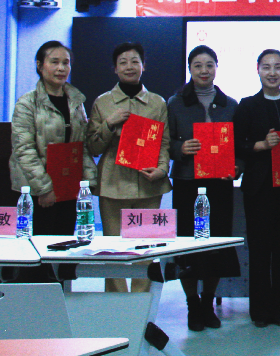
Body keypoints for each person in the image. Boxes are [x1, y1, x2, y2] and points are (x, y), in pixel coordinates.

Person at [166, 45, 241, 331]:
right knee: (188, 245)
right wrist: (180, 148)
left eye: (209, 65)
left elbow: (240, 145)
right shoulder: (175, 103)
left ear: (217, 67)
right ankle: (192, 304)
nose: (204, 70)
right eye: (198, 65)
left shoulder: (230, 104)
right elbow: (165, 142)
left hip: (219, 183)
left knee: (215, 246)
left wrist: (237, 167)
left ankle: (208, 303)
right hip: (187, 182)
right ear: (190, 69)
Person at [86, 42, 171, 293]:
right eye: (122, 62)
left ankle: (141, 305)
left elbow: (164, 142)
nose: (129, 66)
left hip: (149, 184)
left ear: (144, 66)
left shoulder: (157, 103)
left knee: (146, 249)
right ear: (115, 68)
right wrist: (109, 124)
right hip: (113, 184)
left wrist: (162, 169)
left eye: (135, 61)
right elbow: (93, 147)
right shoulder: (103, 102)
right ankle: (116, 305)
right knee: (114, 250)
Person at [233, 49, 280, 328]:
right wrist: (261, 145)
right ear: (257, 70)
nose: (272, 73)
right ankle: (261, 311)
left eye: (277, 67)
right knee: (260, 250)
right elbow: (236, 143)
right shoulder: (247, 105)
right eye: (266, 67)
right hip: (259, 188)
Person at [10, 41, 97, 235]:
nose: (61, 68)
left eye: (66, 63)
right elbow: (24, 149)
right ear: (40, 66)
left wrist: (88, 184)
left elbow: (82, 146)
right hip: (37, 191)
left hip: (69, 186)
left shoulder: (76, 101)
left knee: (66, 242)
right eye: (54, 62)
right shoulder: (27, 103)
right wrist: (44, 189)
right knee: (40, 245)